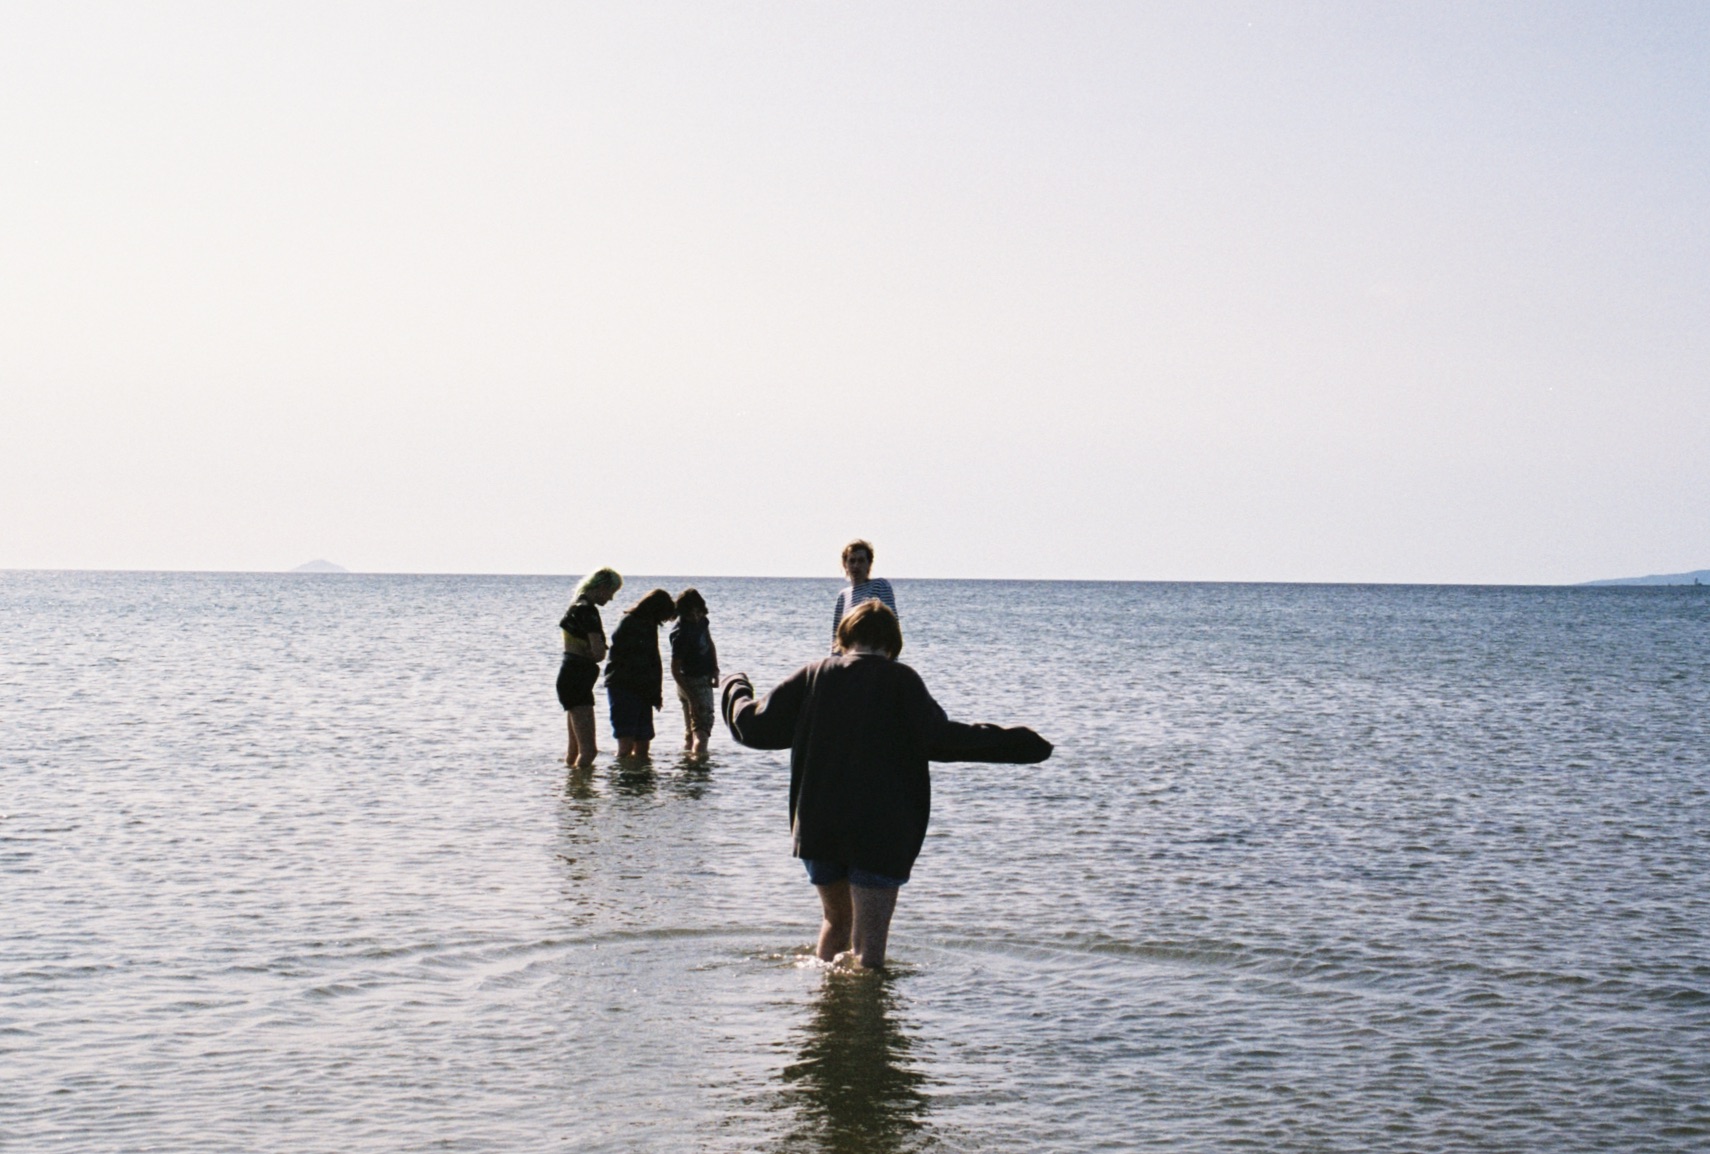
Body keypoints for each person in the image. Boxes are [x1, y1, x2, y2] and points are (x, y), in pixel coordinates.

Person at [722, 601, 1051, 969]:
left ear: (844, 637)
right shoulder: (901, 680)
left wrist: (736, 685)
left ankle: (826, 1002)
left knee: (836, 921)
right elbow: (942, 739)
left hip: (819, 827)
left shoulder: (815, 674)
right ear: (893, 643)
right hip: (880, 831)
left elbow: (753, 726)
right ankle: (867, 1006)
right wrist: (1022, 744)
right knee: (869, 945)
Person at [557, 567, 622, 768]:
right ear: (601, 587)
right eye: (611, 592)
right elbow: (598, 654)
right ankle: (583, 787)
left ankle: (572, 785)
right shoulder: (588, 611)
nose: (611, 598)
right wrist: (602, 647)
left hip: (569, 676)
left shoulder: (575, 606)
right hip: (578, 679)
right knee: (589, 751)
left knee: (574, 750)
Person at [603, 588, 678, 760]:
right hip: (623, 686)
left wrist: (656, 693)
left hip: (643, 688)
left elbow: (654, 660)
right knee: (626, 743)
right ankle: (622, 773)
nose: (662, 621)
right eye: (663, 616)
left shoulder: (649, 624)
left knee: (643, 742)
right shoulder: (630, 622)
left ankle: (640, 775)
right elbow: (630, 658)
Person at [669, 588, 720, 758]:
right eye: (691, 614)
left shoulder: (702, 622)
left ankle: (688, 766)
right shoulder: (681, 634)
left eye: (698, 612)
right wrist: (693, 699)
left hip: (699, 680)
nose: (696, 617)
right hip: (691, 683)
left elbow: (709, 643)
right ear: (682, 613)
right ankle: (699, 768)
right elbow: (675, 670)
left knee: (692, 733)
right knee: (702, 732)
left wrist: (715, 669)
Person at [830, 539, 897, 652]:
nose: (856, 565)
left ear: (869, 564)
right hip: (850, 658)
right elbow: (836, 640)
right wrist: (834, 662)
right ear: (845, 564)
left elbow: (892, 628)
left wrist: (891, 660)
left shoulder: (880, 586)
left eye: (861, 561)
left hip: (875, 657)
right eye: (852, 561)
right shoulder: (843, 596)